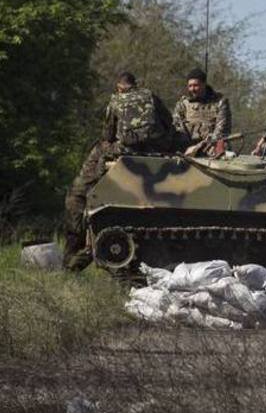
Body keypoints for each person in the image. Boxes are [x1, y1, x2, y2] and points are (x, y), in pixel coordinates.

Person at [62, 71, 173, 271]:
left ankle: (73, 255)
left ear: (119, 86)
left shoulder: (116, 100)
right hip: (157, 149)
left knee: (81, 186)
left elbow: (108, 134)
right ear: (135, 84)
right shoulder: (151, 96)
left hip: (126, 149)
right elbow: (168, 121)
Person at [172, 67, 231, 156]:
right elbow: (177, 126)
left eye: (196, 85)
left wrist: (205, 144)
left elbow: (222, 129)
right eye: (190, 86)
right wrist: (188, 147)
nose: (193, 89)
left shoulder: (220, 102)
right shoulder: (183, 104)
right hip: (187, 150)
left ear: (204, 84)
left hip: (212, 149)